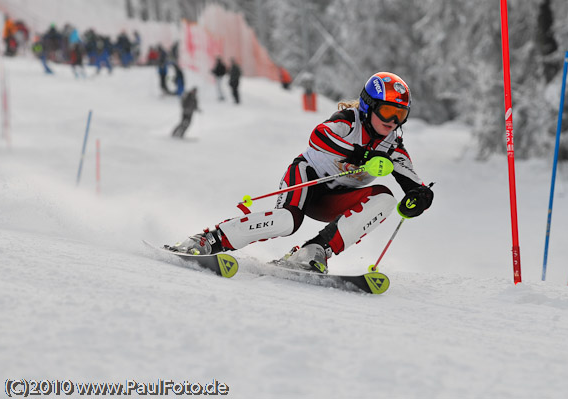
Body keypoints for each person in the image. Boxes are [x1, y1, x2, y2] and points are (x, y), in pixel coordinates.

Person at [167, 72, 434, 273]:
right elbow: (318, 137)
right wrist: (360, 154)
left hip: (335, 200)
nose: (393, 122)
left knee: (386, 198)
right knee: (286, 221)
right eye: (388, 111)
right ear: (369, 106)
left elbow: (412, 182)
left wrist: (420, 197)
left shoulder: (392, 146)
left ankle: (312, 251)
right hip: (307, 178)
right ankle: (208, 240)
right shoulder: (348, 121)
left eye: (400, 114)